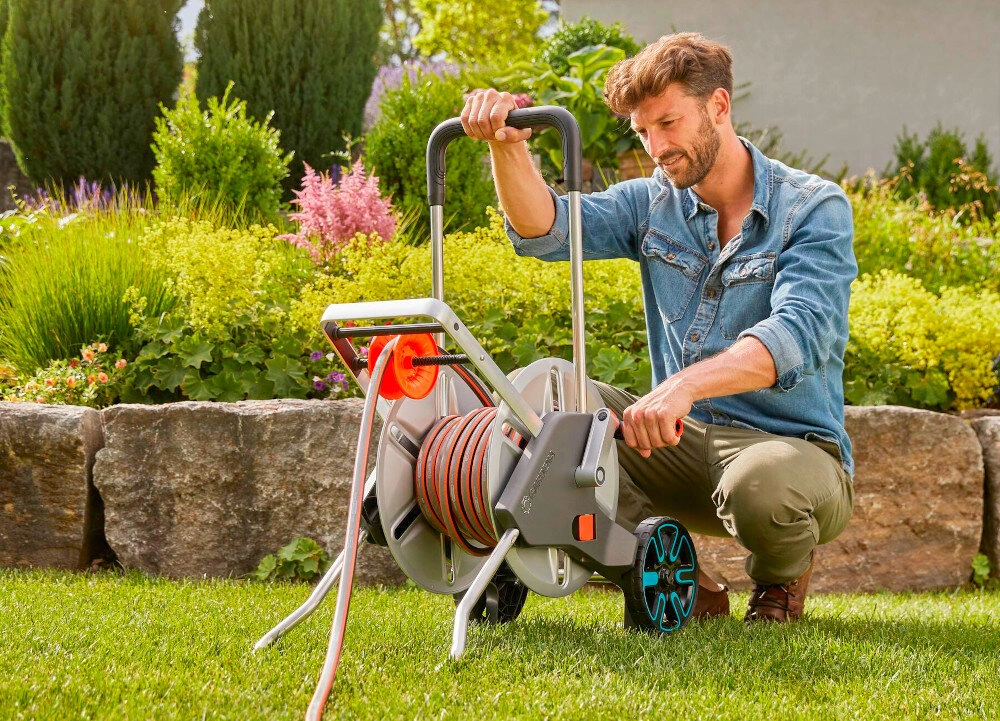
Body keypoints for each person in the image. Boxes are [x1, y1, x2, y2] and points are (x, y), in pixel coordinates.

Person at [460, 32, 856, 623]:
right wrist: (507, 148)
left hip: (791, 452)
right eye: (643, 132)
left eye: (668, 124)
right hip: (675, 445)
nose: (656, 147)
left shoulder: (813, 208)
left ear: (719, 106)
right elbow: (547, 229)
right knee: (539, 415)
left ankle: (780, 581)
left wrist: (683, 386)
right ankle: (679, 581)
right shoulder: (652, 203)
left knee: (761, 489)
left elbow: (796, 335)